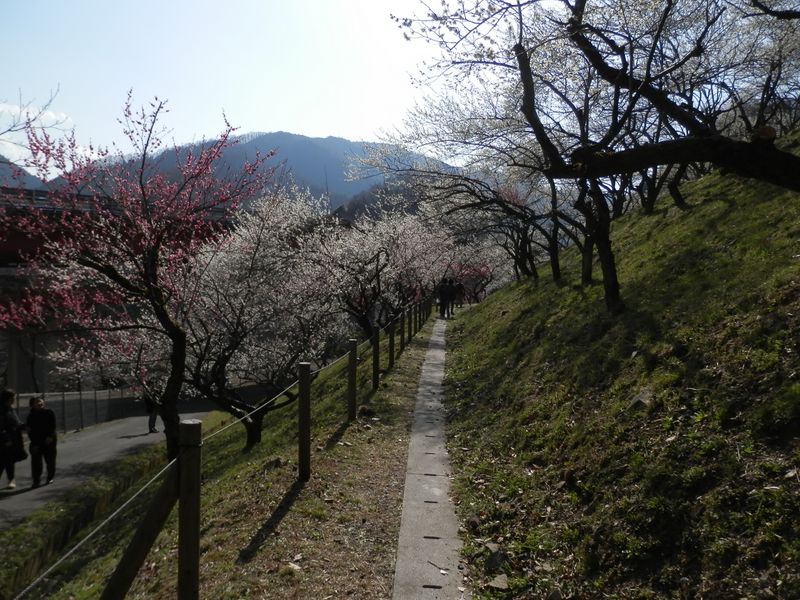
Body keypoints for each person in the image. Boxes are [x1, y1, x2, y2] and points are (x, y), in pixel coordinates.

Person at [26, 396, 57, 487]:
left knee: (50, 460)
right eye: (37, 402)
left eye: (41, 401)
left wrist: (50, 436)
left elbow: (53, 426)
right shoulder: (30, 416)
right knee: (36, 462)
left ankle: (50, 477)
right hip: (36, 442)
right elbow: (30, 431)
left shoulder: (49, 412)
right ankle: (36, 481)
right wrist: (34, 443)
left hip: (49, 440)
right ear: (32, 405)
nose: (40, 403)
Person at [1, 388, 24, 489]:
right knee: (3, 461)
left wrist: (24, 426)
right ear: (8, 398)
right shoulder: (2, 410)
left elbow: (16, 422)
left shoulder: (10, 409)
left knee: (8, 461)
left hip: (12, 440)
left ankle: (11, 479)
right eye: (13, 397)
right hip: (4, 441)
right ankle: (11, 479)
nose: (14, 399)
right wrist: (6, 439)